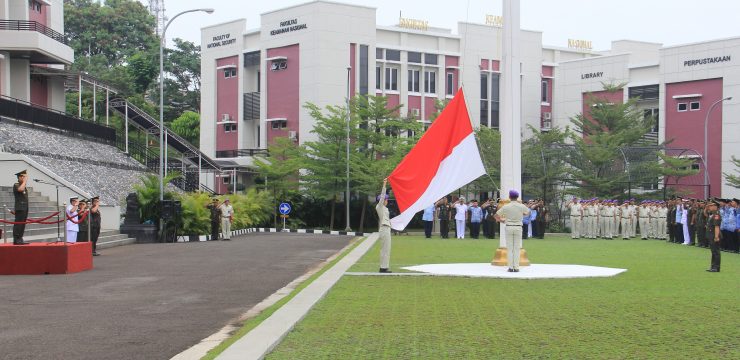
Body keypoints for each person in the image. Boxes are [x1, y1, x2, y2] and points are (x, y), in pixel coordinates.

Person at [495, 190, 530, 272]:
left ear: (510, 197)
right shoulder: (521, 206)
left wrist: (502, 221)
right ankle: (516, 267)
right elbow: (528, 212)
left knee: (510, 248)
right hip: (518, 227)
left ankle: (511, 267)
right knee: (517, 248)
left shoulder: (506, 206)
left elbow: (496, 215)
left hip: (509, 227)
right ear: (517, 197)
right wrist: (523, 215)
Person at [376, 178, 392, 273]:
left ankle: (384, 266)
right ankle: (383, 267)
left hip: (387, 229)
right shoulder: (379, 206)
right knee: (385, 249)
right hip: (384, 229)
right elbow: (382, 197)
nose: (387, 201)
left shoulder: (385, 208)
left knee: (387, 249)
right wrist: (384, 185)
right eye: (386, 199)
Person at [12, 170, 30, 245]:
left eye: (25, 177)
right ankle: (16, 239)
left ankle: (20, 238)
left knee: (23, 223)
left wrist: (24, 182)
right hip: (20, 207)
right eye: (23, 176)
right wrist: (24, 182)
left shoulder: (23, 185)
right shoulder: (16, 185)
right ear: (19, 177)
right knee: (18, 223)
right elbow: (20, 189)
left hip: (25, 207)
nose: (24, 178)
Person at [705, 200, 722, 272]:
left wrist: (716, 236)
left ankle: (716, 267)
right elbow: (705, 213)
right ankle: (713, 266)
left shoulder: (716, 215)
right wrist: (707, 207)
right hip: (711, 235)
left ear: (716, 207)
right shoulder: (712, 214)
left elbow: (716, 227)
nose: (710, 207)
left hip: (714, 235)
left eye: (712, 205)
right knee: (713, 251)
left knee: (716, 251)